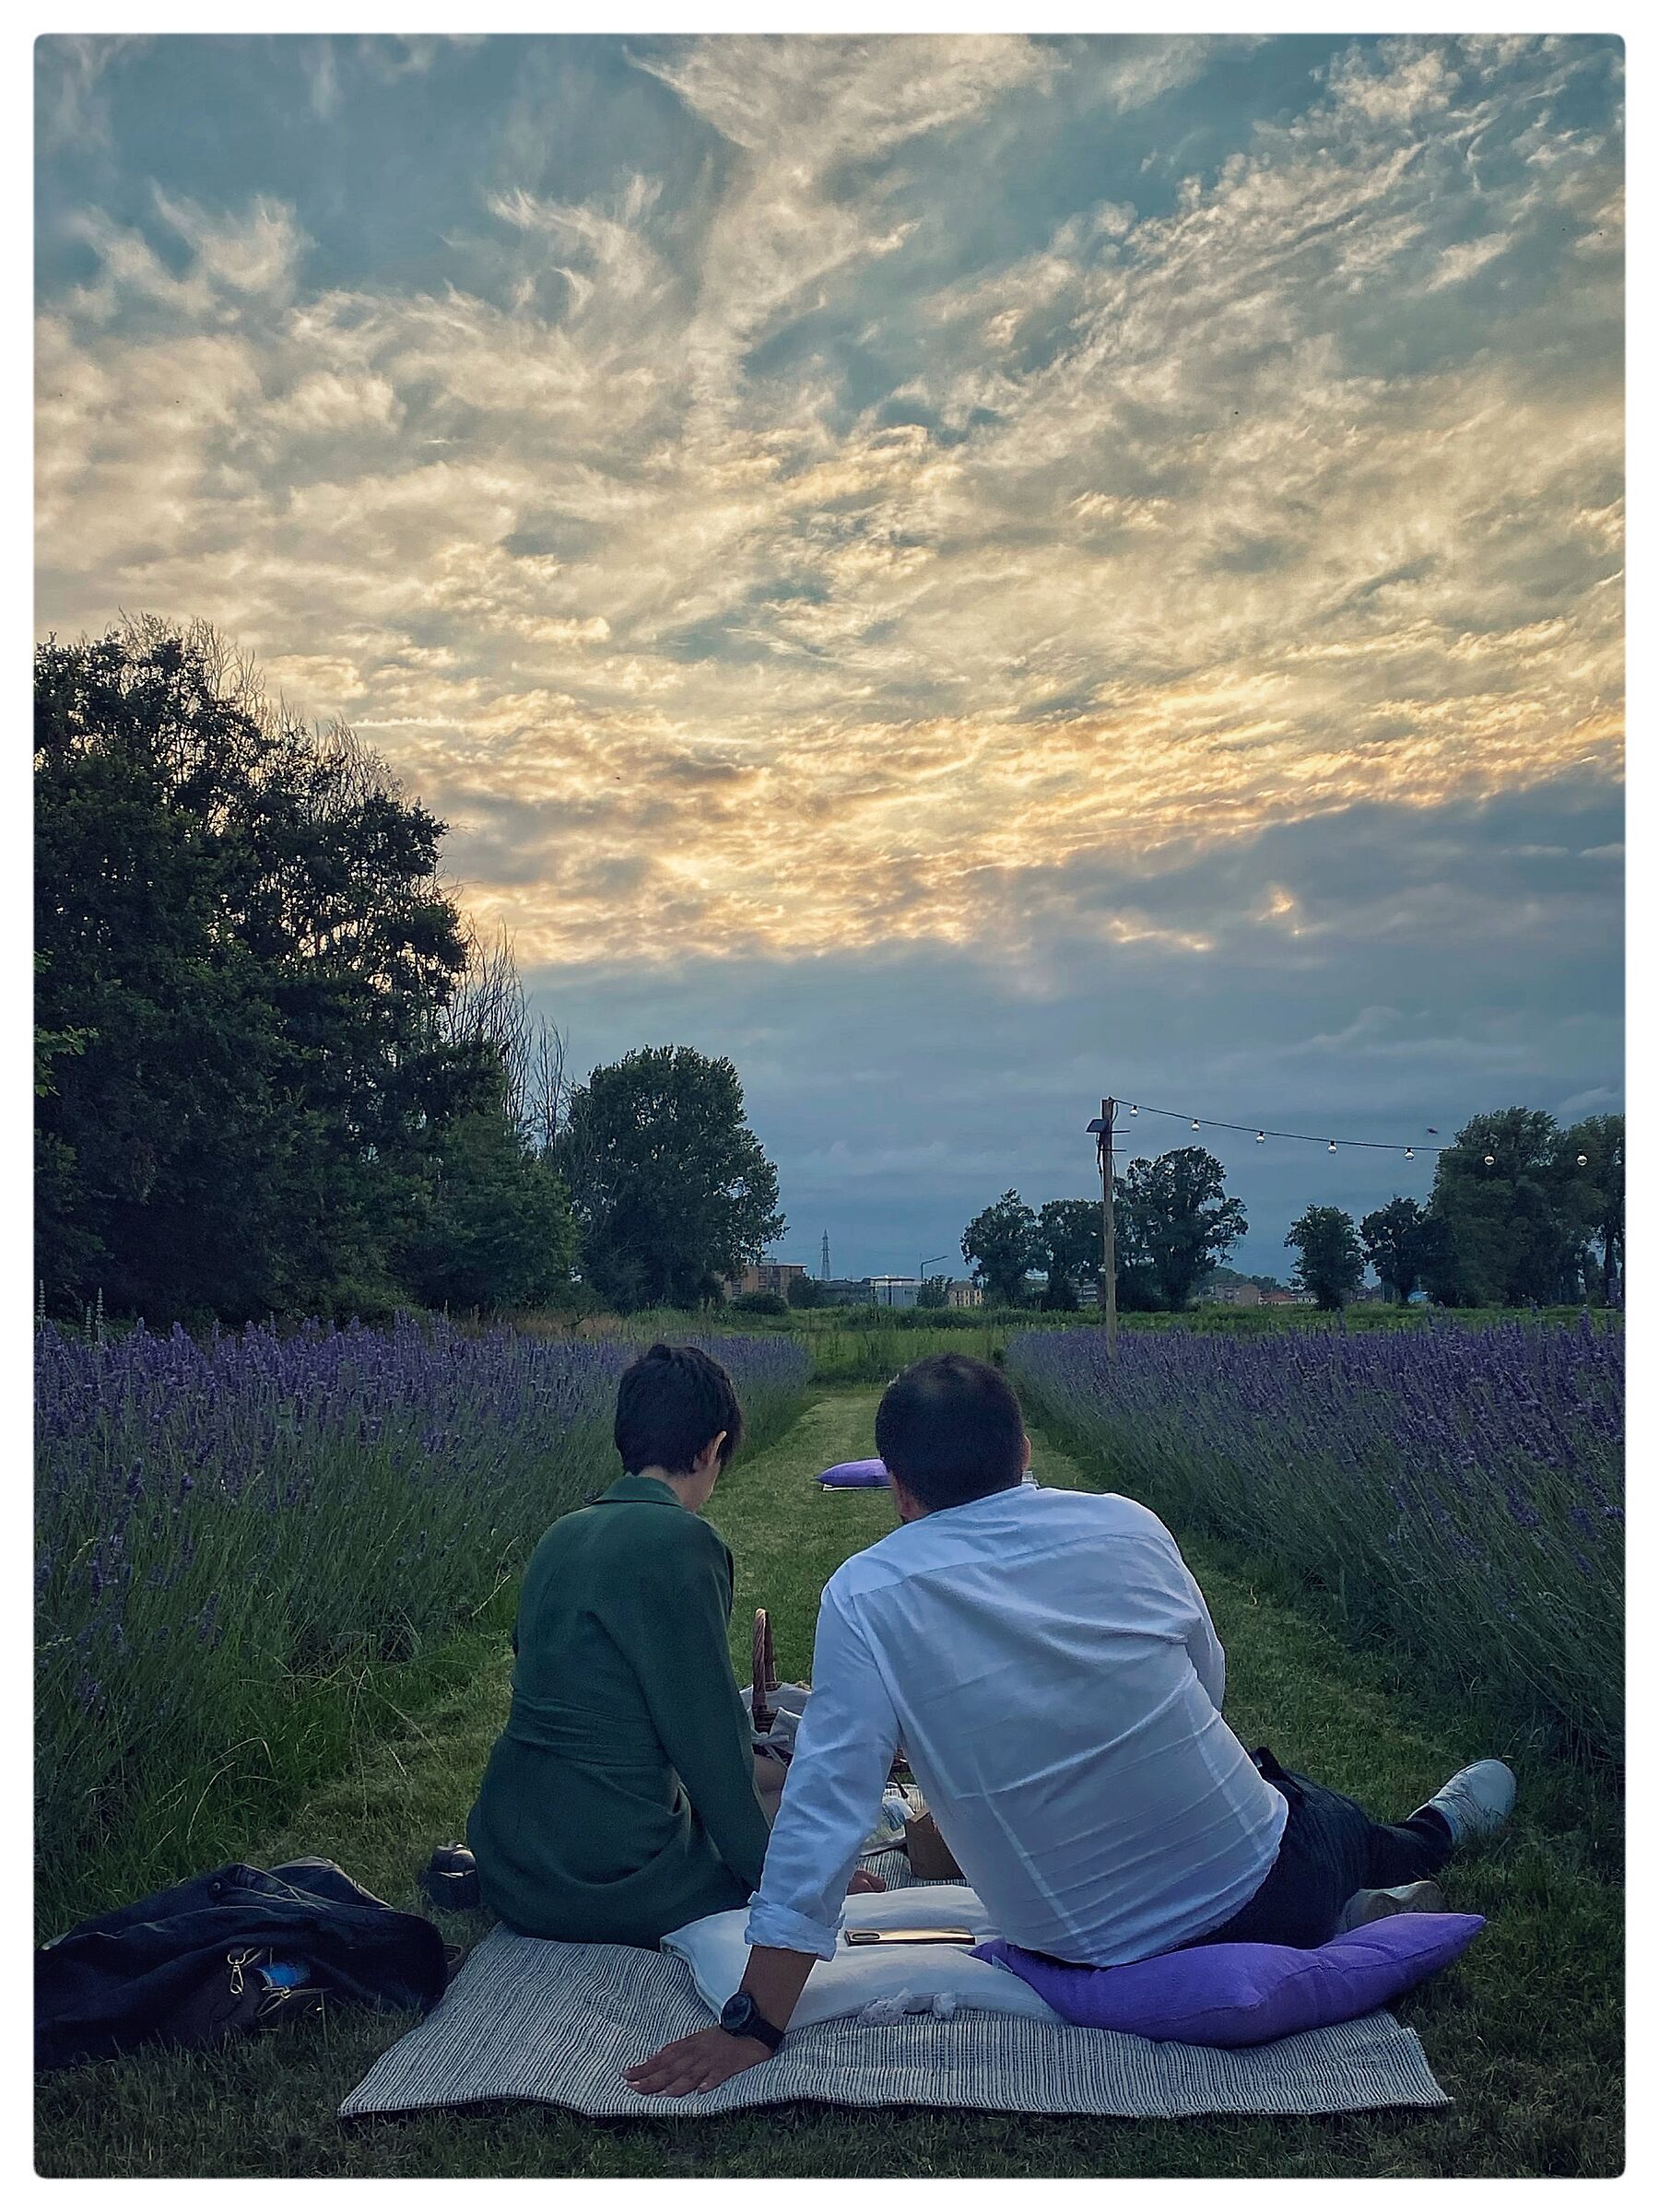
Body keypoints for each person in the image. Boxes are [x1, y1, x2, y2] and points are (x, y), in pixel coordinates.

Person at [628, 1351, 1515, 2095]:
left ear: (897, 1490)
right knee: (1307, 1808)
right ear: (1022, 1452)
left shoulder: (866, 1592)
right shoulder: (1127, 1526)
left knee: (1285, 1793)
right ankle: (1427, 1838)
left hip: (1083, 1948)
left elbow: (824, 1816)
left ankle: (1378, 1881)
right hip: (1264, 1879)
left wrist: (756, 2022)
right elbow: (1205, 1687)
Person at [466, 1342, 779, 1947]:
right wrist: (785, 1885)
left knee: (764, 1783)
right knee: (781, 1811)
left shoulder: (562, 1534)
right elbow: (709, 1744)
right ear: (714, 1448)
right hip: (607, 1876)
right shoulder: (685, 1544)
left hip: (513, 1860)